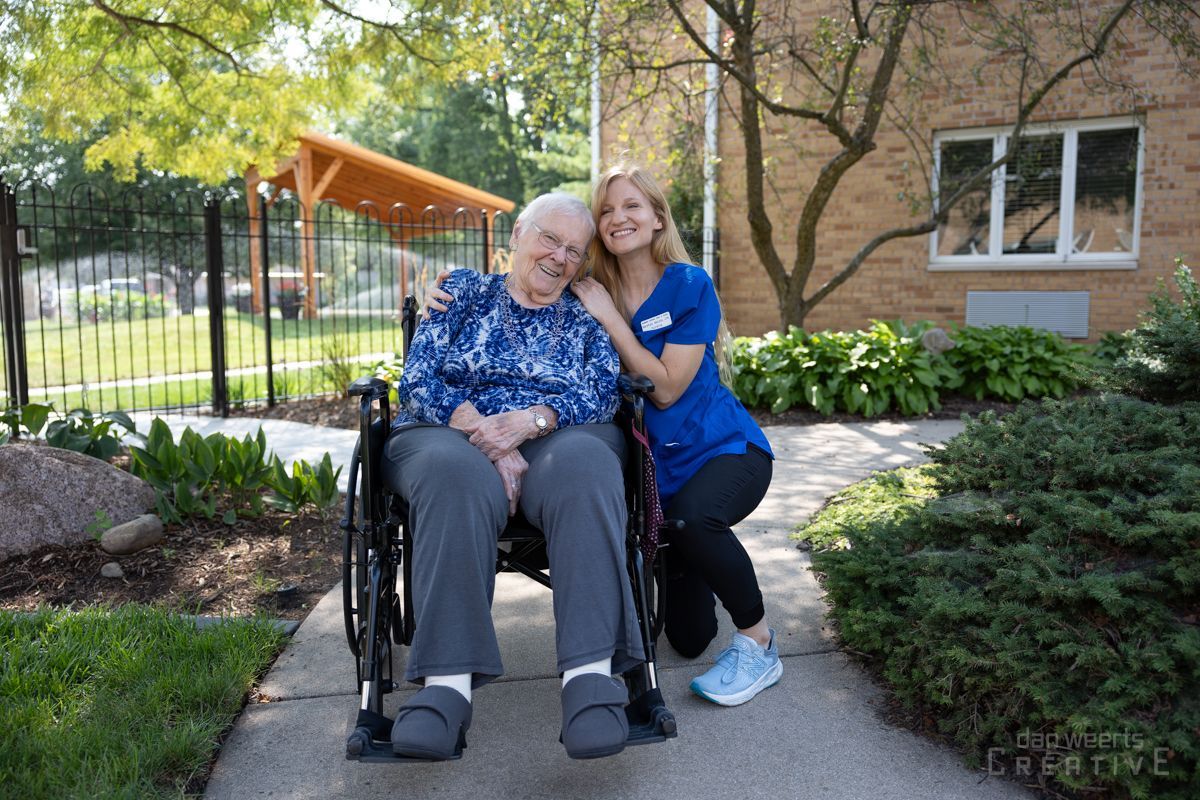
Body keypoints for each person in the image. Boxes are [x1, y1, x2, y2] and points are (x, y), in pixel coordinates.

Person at [426, 165, 780, 708]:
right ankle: (694, 554)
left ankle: (759, 643)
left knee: (694, 520)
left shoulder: (687, 285)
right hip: (656, 471)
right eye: (607, 210)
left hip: (720, 451)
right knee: (689, 637)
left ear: (658, 217)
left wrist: (612, 318)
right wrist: (442, 296)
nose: (619, 217)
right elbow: (523, 291)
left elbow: (665, 391)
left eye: (632, 206)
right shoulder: (588, 284)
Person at [384, 192, 643, 761]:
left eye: (574, 250)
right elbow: (419, 380)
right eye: (550, 239)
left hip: (556, 435)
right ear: (518, 233)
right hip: (447, 431)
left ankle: (590, 682)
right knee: (454, 477)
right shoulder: (462, 291)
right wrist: (486, 434)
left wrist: (529, 422)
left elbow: (602, 391)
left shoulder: (585, 312)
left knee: (588, 469)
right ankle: (445, 689)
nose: (559, 258)